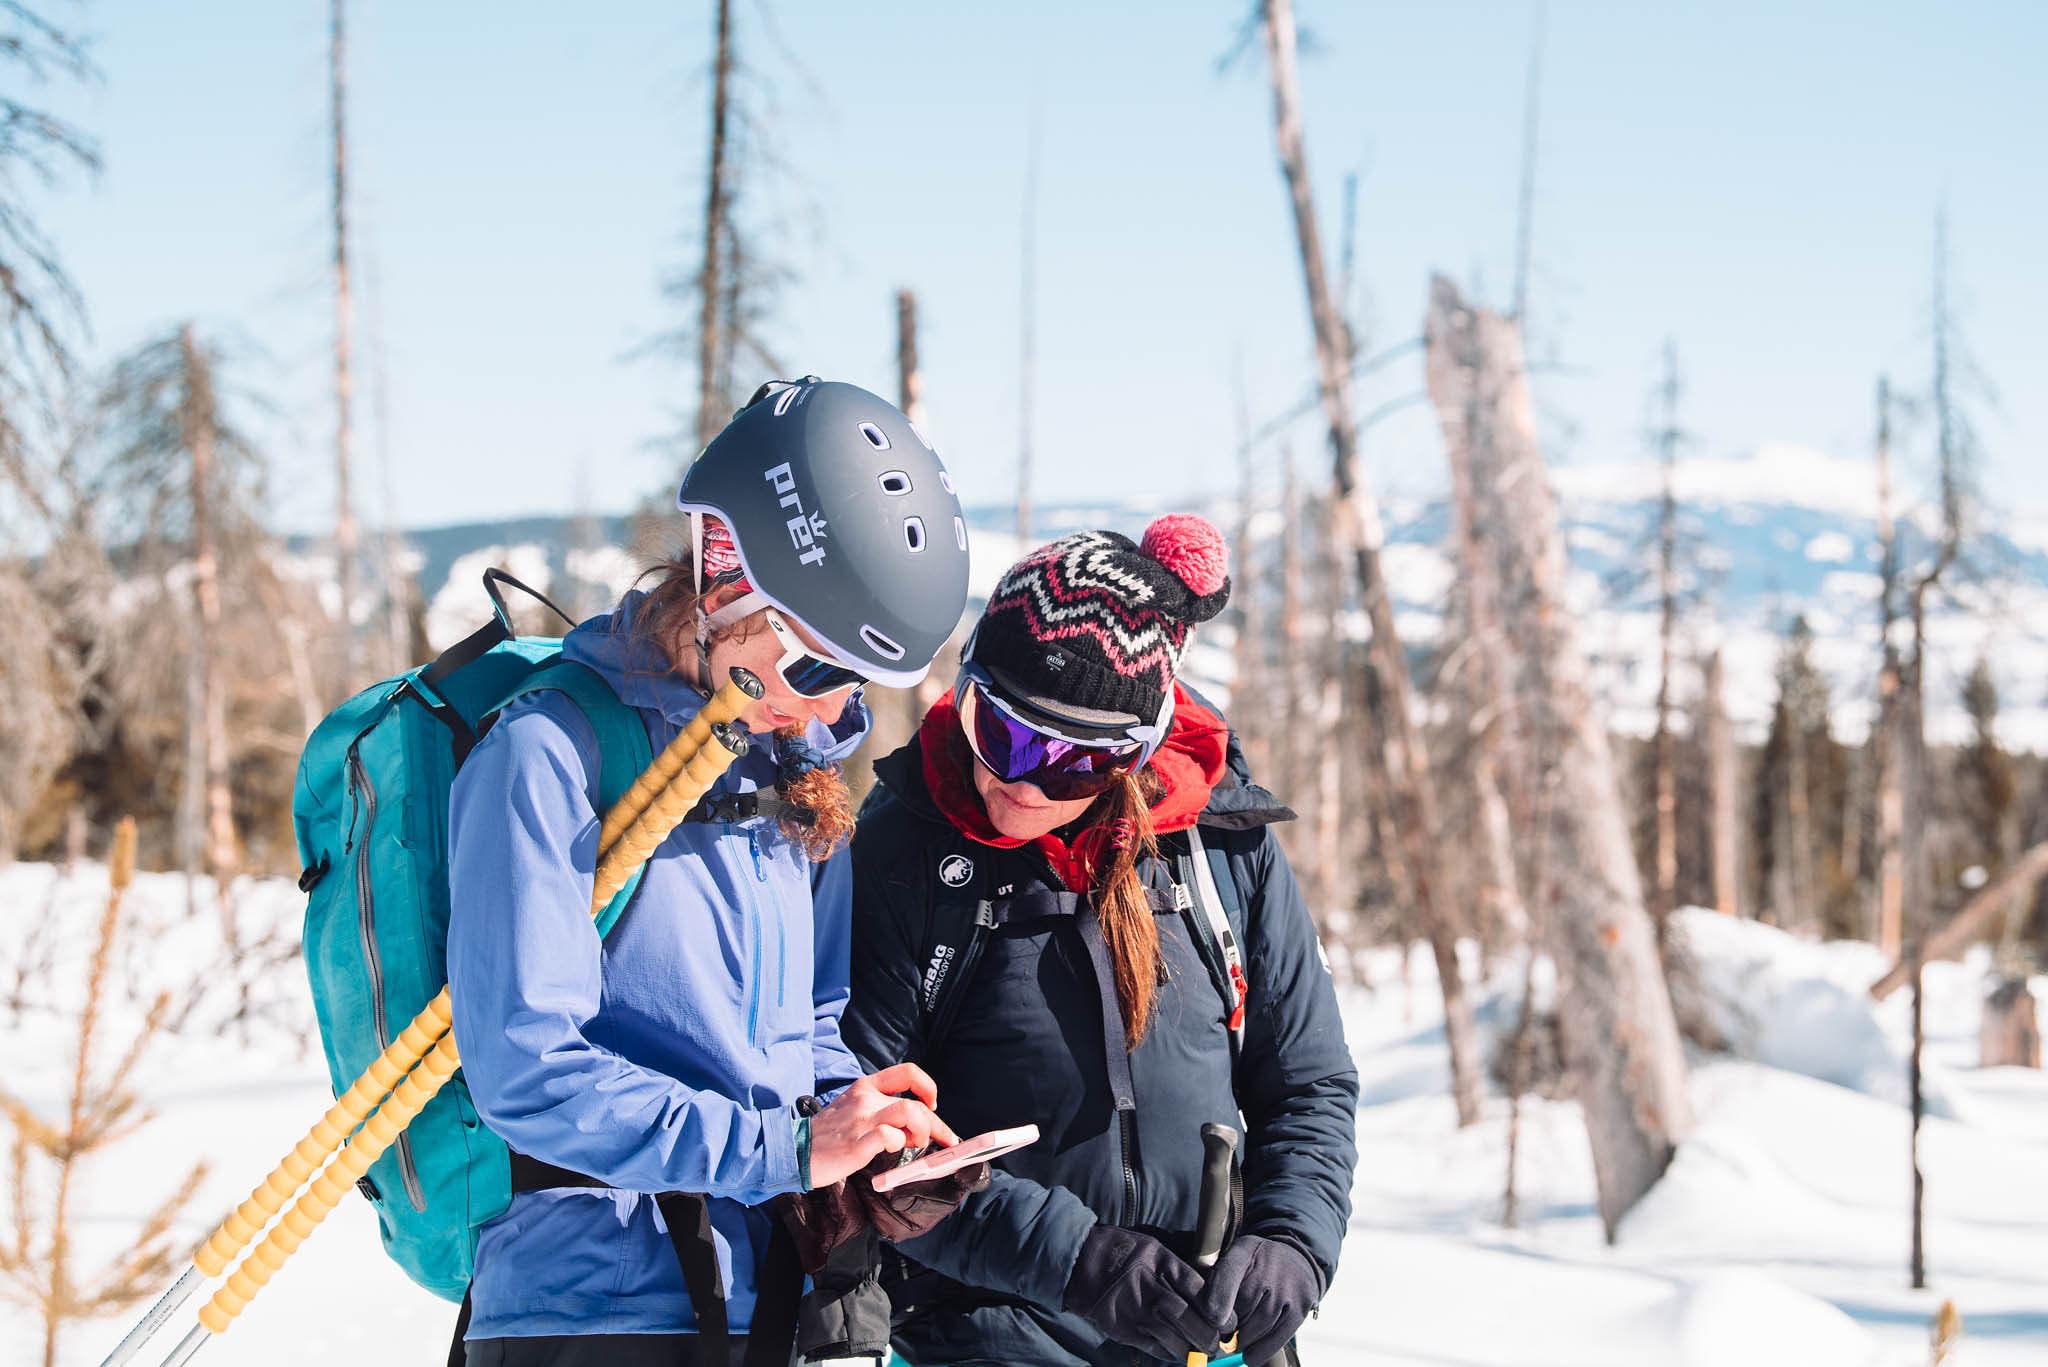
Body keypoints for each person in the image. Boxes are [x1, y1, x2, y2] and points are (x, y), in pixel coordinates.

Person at [446, 378, 979, 1367]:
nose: (831, 710)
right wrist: (781, 1151)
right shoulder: (549, 752)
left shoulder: (788, 774)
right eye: (817, 669)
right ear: (730, 583)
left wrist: (863, 1138)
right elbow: (526, 1069)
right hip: (590, 1310)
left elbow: (808, 1025)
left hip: (761, 1300)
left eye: (854, 682)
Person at [838, 515, 1360, 1367]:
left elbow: (1307, 1081)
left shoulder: (1222, 848)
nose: (1020, 781)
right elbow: (873, 1146)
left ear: (1137, 752)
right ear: (963, 689)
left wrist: (1293, 1242)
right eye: (998, 731)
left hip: (1207, 1328)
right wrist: (1079, 1261)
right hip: (986, 1333)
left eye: (1072, 762)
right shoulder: (903, 855)